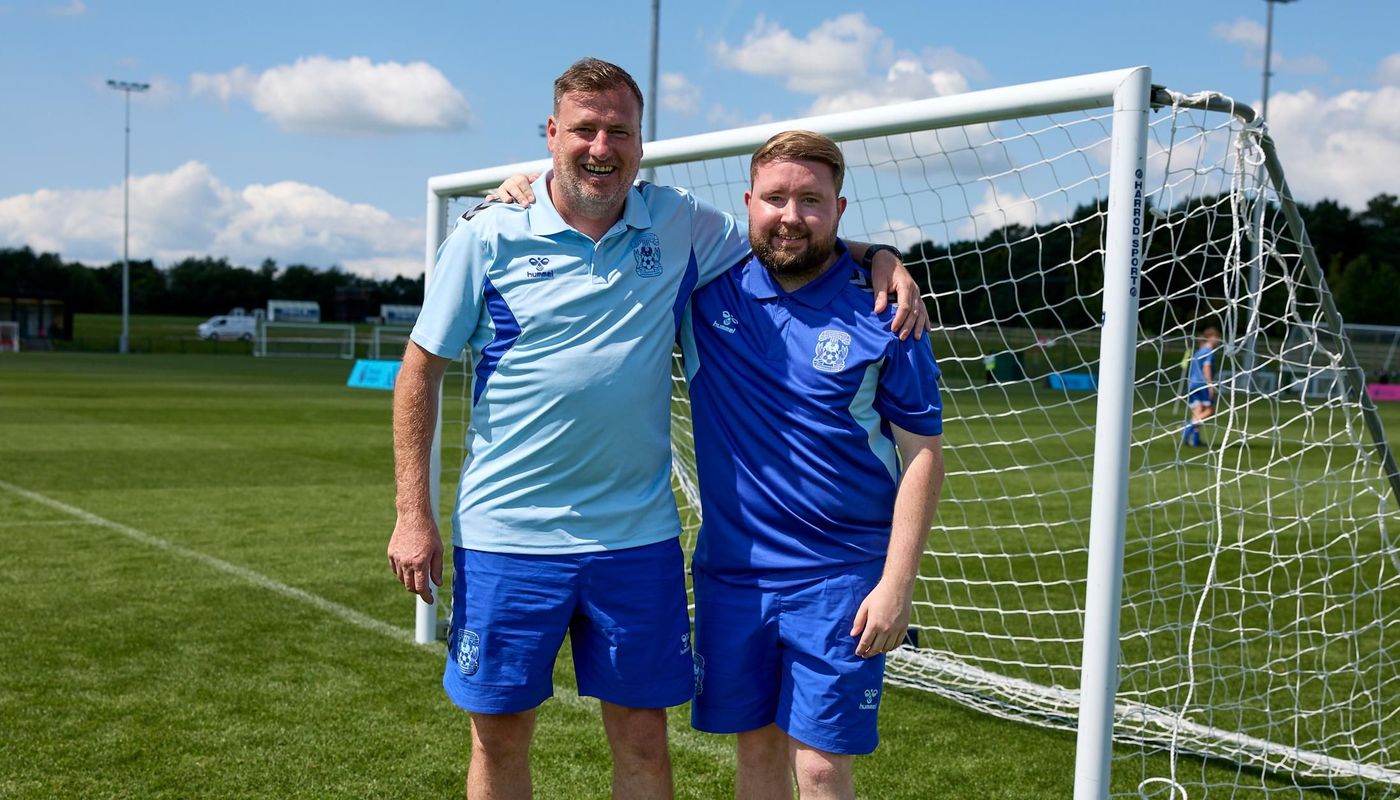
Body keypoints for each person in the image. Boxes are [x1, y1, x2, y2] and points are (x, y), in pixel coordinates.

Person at [387, 58, 927, 800]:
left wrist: (884, 259)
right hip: (509, 532)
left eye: (619, 130)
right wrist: (412, 514)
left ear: (642, 142)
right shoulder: (488, 236)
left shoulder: (680, 225)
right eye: (583, 129)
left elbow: (794, 237)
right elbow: (419, 370)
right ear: (550, 134)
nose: (601, 146)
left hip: (635, 539)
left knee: (644, 739)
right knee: (499, 735)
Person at [680, 130, 945, 800]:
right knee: (757, 754)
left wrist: (897, 584)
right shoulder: (705, 297)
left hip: (841, 579)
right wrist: (520, 193)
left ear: (840, 207)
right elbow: (606, 208)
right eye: (775, 198)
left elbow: (923, 457)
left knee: (824, 767)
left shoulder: (887, 314)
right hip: (733, 576)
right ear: (748, 203)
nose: (791, 215)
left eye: (811, 200)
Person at [1184, 327, 1221, 447]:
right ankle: (1187, 427)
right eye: (1217, 338)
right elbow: (1206, 367)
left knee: (1198, 410)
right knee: (1210, 410)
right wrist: (1210, 385)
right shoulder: (1208, 351)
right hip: (1201, 384)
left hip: (1192, 383)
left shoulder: (1198, 351)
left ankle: (1194, 440)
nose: (1219, 341)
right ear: (1211, 338)